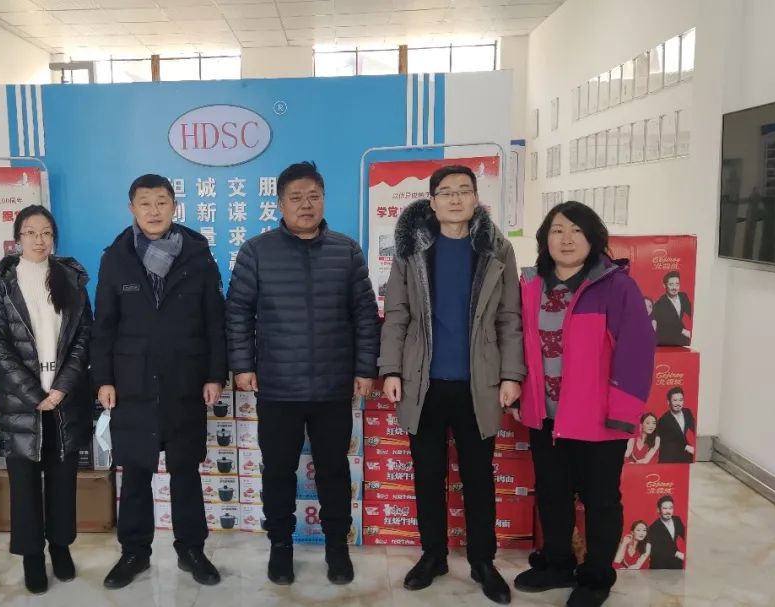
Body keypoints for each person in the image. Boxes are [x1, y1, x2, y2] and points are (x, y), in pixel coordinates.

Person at [226, 161, 379, 587]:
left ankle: (336, 548)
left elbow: (365, 315)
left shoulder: (347, 251)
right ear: (280, 204)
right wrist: (242, 364)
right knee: (278, 472)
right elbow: (237, 312)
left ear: (324, 200)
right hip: (278, 387)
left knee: (333, 471)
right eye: (296, 198)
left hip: (333, 385)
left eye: (313, 196)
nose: (305, 205)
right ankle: (280, 547)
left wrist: (364, 368)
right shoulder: (257, 251)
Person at [377, 165, 524, 604]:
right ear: (433, 200)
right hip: (423, 382)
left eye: (464, 191)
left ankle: (483, 561)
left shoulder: (497, 249)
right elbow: (397, 314)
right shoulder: (412, 248)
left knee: (478, 477)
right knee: (427, 474)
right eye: (446, 192)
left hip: (479, 383)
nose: (455, 199)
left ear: (476, 198)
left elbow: (509, 318)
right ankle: (433, 555)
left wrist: (511, 375)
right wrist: (391, 370)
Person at [512, 201, 655, 607]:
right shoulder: (532, 286)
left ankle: (595, 577)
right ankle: (558, 563)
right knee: (553, 493)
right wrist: (519, 392)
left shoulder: (615, 286)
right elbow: (521, 344)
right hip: (545, 416)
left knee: (600, 499)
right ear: (545, 239)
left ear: (593, 238)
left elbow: (636, 352)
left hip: (599, 419)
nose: (567, 239)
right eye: (557, 230)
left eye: (576, 230)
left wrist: (623, 413)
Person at [91, 174, 226, 589]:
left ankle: (192, 550)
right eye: (145, 203)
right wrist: (103, 379)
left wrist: (215, 374)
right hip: (131, 382)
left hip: (185, 379)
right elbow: (104, 325)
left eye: (162, 201)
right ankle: (134, 552)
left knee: (185, 471)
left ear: (174, 206)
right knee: (135, 472)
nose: (154, 210)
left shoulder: (197, 254)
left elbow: (214, 320)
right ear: (132, 208)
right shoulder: (116, 257)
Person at [0, 205, 94, 594]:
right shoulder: (1, 283)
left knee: (63, 483)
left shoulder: (71, 280)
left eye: (46, 232)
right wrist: (34, 394)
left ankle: (60, 548)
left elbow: (83, 337)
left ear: (54, 238)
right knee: (25, 486)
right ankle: (32, 556)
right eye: (30, 232)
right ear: (17, 238)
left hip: (64, 400)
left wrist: (61, 388)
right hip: (21, 403)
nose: (38, 240)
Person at [655, 387, 696, 463]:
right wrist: (686, 447)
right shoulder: (663, 420)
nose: (678, 403)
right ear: (668, 402)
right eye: (675, 400)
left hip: (684, 455)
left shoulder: (687, 412)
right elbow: (666, 443)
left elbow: (694, 428)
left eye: (681, 400)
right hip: (669, 457)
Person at [651, 271, 692, 346]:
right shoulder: (659, 305)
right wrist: (687, 332)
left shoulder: (683, 296)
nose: (674, 288)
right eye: (671, 284)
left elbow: (691, 313)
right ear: (664, 286)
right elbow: (670, 324)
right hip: (666, 341)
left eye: (677, 284)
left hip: (681, 338)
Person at [646, 496, 686, 569]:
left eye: (670, 508)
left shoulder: (677, 520)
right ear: (658, 510)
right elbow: (659, 548)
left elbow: (686, 535)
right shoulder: (653, 528)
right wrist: (677, 554)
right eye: (664, 508)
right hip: (659, 565)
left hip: (675, 563)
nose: (668, 511)